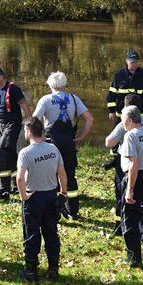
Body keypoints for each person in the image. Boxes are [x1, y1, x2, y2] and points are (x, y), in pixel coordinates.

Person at [106, 105, 143, 267]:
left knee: (130, 217)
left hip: (135, 177)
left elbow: (133, 165)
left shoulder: (130, 136)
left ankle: (133, 258)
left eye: (123, 119)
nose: (121, 122)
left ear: (130, 120)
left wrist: (130, 189)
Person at [32, 72, 94, 219]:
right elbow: (89, 119)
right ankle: (73, 211)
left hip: (51, 143)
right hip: (69, 142)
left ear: (50, 85)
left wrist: (38, 138)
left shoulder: (45, 100)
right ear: (64, 84)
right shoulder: (74, 98)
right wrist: (81, 137)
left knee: (53, 177)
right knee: (70, 175)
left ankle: (54, 213)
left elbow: (34, 120)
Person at [17, 118, 69, 283]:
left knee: (32, 234)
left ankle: (31, 270)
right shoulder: (53, 149)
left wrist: (23, 195)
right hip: (51, 197)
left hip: (34, 198)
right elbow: (62, 172)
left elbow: (19, 178)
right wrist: (63, 193)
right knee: (51, 233)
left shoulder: (26, 153)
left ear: (29, 132)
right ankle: (53, 269)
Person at [0, 66, 32, 200]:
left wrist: (30, 123)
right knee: (10, 153)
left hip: (13, 125)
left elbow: (24, 105)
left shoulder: (13, 89)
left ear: (2, 77)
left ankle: (3, 188)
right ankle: (16, 185)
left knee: (1, 152)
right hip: (1, 125)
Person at [107, 49, 143, 121]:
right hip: (122, 115)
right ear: (126, 61)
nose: (134, 64)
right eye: (132, 62)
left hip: (140, 114)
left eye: (136, 62)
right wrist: (112, 111)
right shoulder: (118, 75)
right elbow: (111, 94)